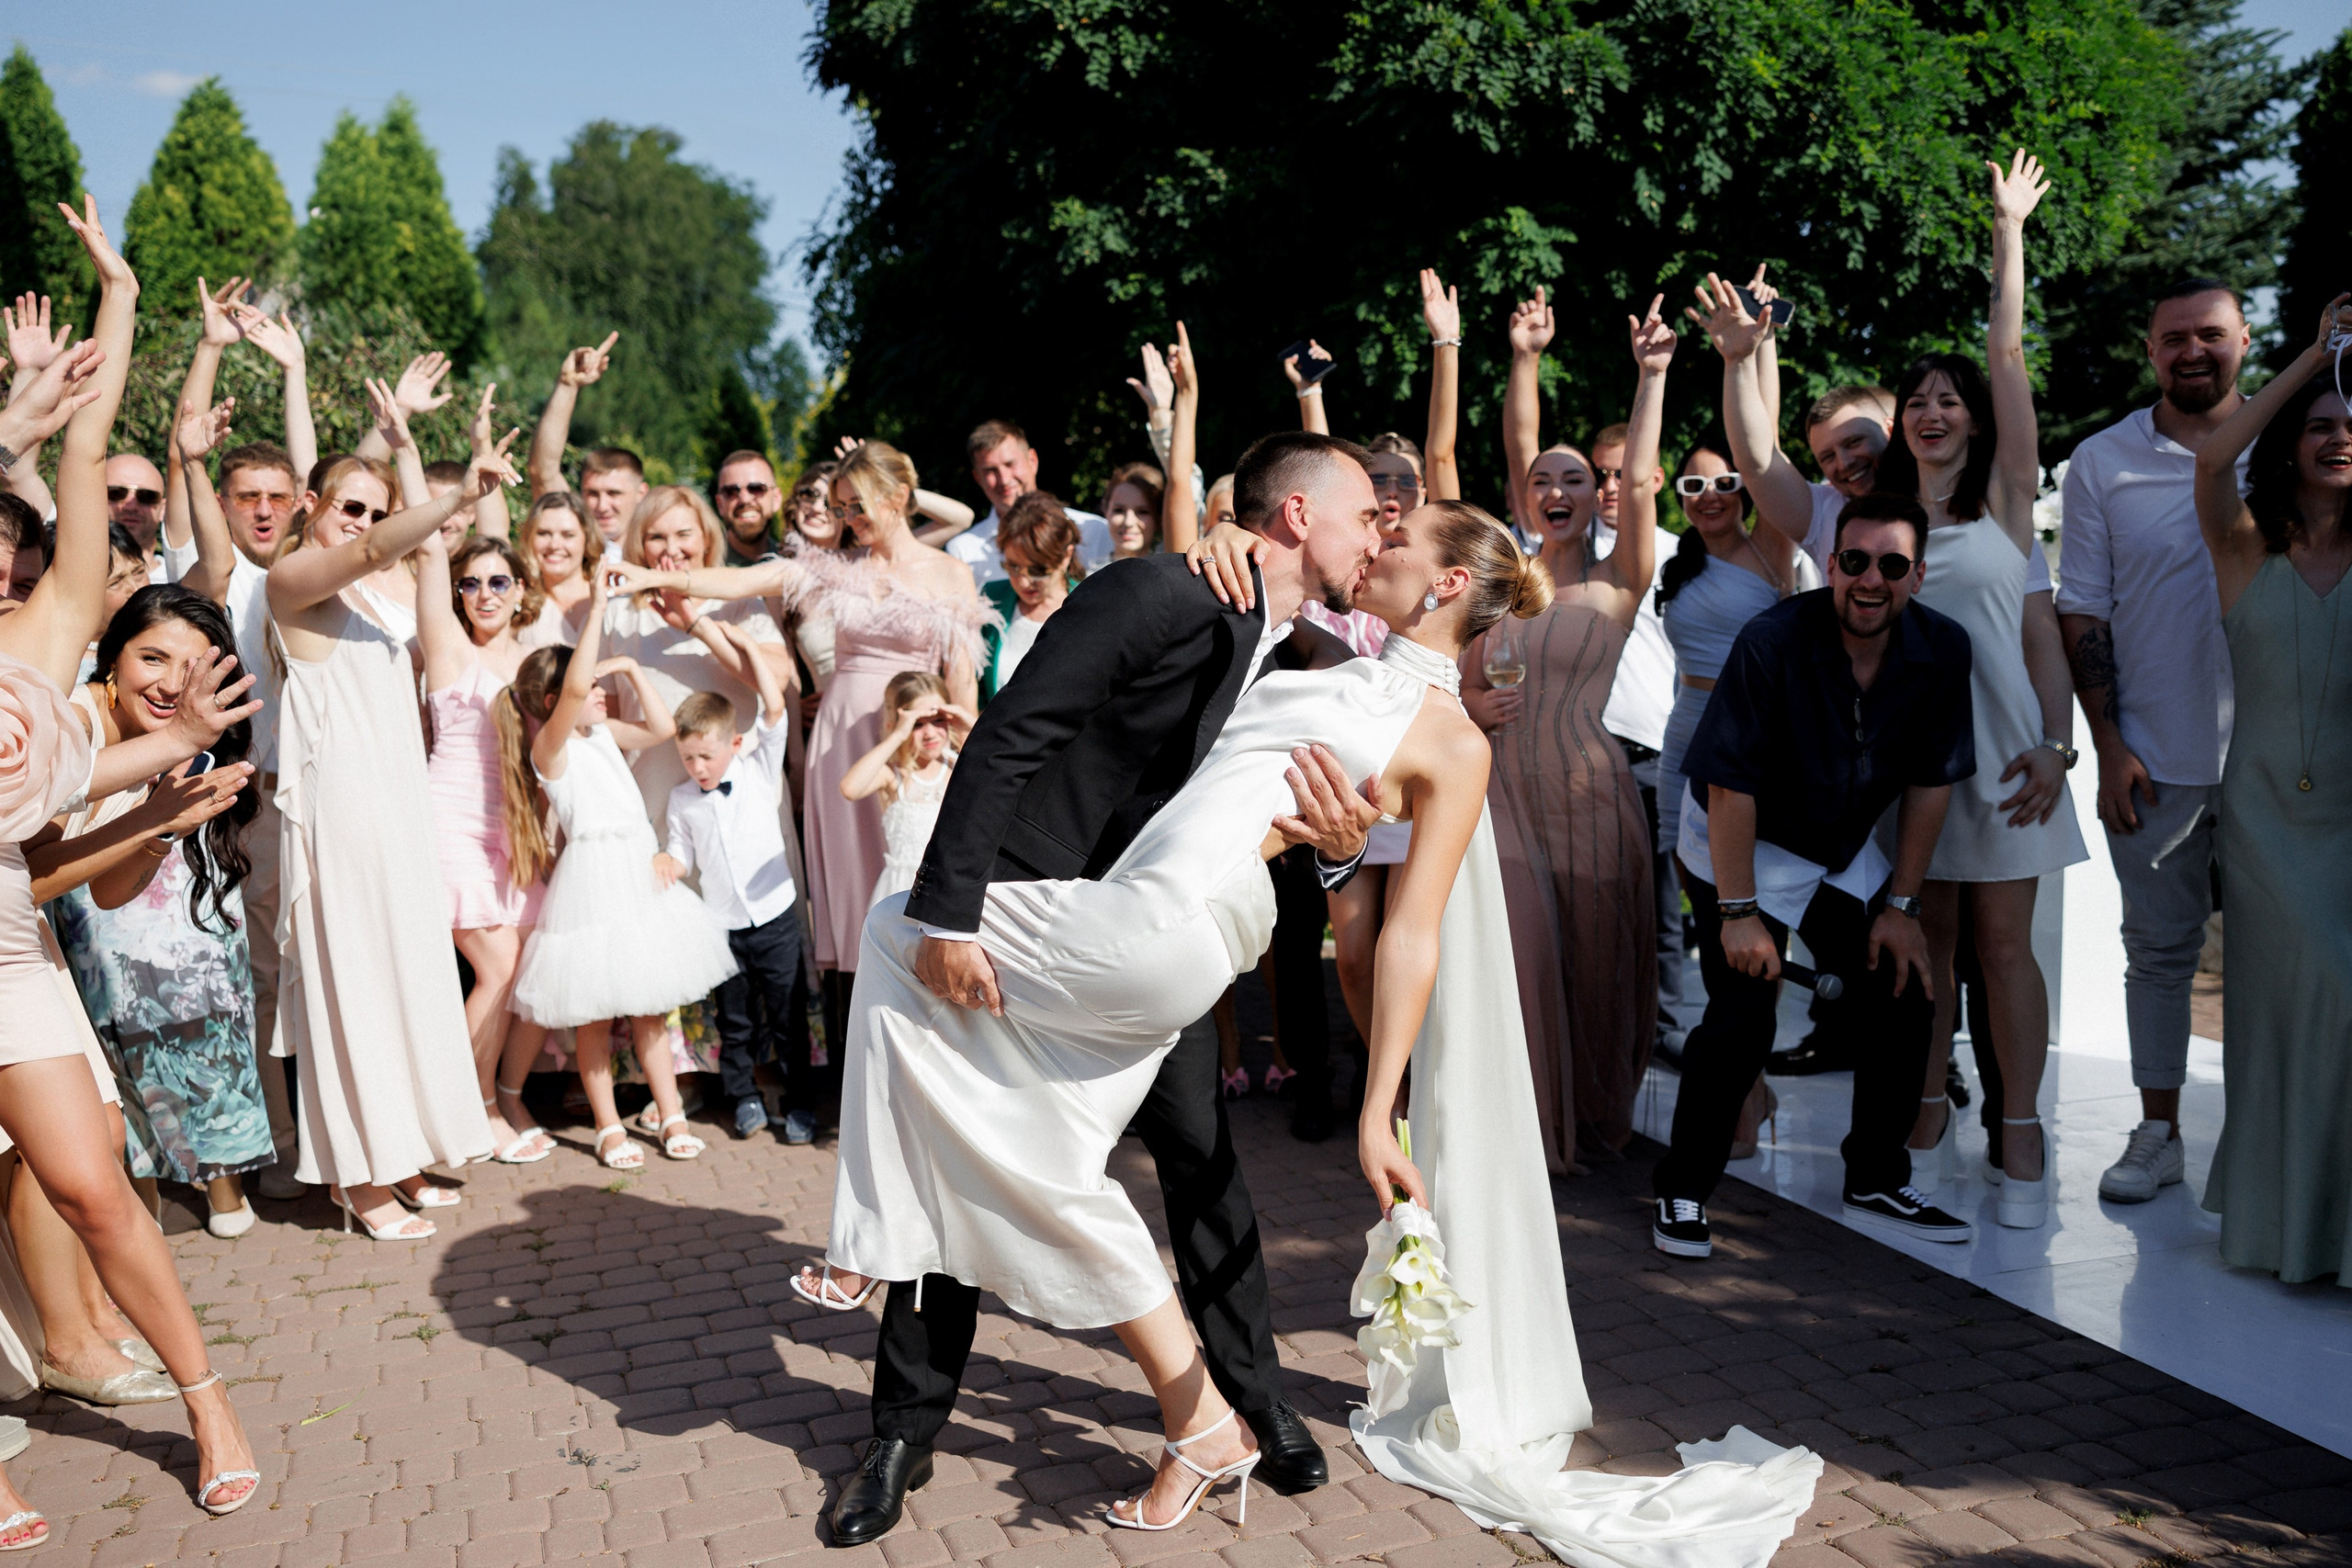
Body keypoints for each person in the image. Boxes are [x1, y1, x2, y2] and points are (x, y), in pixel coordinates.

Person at [802, 431, 1384, 1546]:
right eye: (1365, 513)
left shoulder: (1310, 658)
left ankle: (1253, 1401)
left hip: (1144, 948)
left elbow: (1300, 820)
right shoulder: (1159, 591)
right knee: (957, 1150)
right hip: (1027, 925)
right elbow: (1012, 735)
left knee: (1203, 1159)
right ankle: (901, 1433)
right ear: (1299, 517)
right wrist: (948, 913)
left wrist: (1344, 850)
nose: (1380, 535)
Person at [0, 193, 264, 1536]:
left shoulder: (48, 639)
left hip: (5, 953)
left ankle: (208, 1397)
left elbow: (99, 440)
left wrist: (120, 296)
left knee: (97, 1184)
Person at [1653, 492, 1978, 1257]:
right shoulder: (1772, 640)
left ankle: (1874, 1175)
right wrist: (1737, 913)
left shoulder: (1943, 649)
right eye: (1855, 561)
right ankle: (1680, 1188)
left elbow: (1933, 781)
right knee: (1742, 1014)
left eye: (1891, 565)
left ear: (1918, 576)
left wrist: (1902, 904)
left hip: (1834, 848)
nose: (1871, 579)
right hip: (1740, 841)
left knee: (1904, 986)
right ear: (1830, 565)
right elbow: (1732, 787)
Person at [1871, 153, 2086, 1226]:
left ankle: (2019, 1128)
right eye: (1916, 401)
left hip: (2007, 760)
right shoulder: (1884, 530)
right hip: (1915, 768)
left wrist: (2059, 746)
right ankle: (1921, 1114)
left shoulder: (2008, 498)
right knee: (1928, 948)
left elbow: (2042, 640)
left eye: (1947, 399)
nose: (1933, 411)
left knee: (2003, 951)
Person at [615, 442, 985, 998]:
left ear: (898, 498)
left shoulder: (950, 573)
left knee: (917, 867)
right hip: (842, 738)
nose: (847, 519)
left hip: (915, 740)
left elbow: (962, 684)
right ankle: (855, 1033)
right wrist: (654, 580)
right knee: (855, 887)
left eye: (856, 505)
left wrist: (972, 759)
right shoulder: (836, 570)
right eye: (840, 509)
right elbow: (743, 582)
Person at [266, 424, 514, 1239]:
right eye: (347, 505)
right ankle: (355, 1176)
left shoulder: (380, 598)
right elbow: (374, 548)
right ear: (313, 506)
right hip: (342, 819)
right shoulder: (293, 577)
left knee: (408, 980)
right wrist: (453, 498)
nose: (360, 519)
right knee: (356, 989)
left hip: (399, 813)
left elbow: (429, 575)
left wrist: (441, 482)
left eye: (373, 508)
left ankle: (399, 1150)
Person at [1464, 294, 1666, 1173]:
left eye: (1575, 478)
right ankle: (1525, 1129)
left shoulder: (1622, 577)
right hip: (1503, 798)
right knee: (1520, 966)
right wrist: (1524, 358)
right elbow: (1517, 442)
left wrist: (1651, 376)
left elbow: (1649, 475)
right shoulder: (1506, 585)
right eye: (1542, 480)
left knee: (1594, 965)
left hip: (1589, 796)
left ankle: (1592, 1119)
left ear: (1601, 497)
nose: (1556, 489)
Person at [2058, 279, 2250, 1203]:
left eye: (2209, 334)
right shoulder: (2102, 461)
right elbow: (2082, 605)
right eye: (2174, 338)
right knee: (2159, 956)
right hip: (2153, 757)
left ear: (2243, 340)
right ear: (2149, 350)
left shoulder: (2288, 443)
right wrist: (2107, 741)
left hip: (2277, 760)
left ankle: (2269, 1142)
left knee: (2288, 959)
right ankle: (2158, 1133)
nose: (2192, 352)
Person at [2189, 292, 2352, 1286]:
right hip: (2260, 824)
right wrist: (2313, 357)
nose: (2338, 441)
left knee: (2336, 1010)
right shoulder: (2245, 549)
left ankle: (2324, 1232)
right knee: (2301, 1006)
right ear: (2293, 443)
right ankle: (2282, 1227)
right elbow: (2210, 459)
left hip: (2348, 823)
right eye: (2322, 429)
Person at [47, 587, 273, 1237]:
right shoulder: (73, 725)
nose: (173, 684)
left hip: (148, 908)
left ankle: (210, 1189)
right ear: (110, 655)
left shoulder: (186, 736)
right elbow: (41, 876)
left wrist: (157, 828)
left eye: (193, 668)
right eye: (153, 657)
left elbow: (111, 884)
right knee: (108, 1088)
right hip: (44, 944)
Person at [508, 567, 738, 1169]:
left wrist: (632, 669)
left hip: (635, 865)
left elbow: (662, 728)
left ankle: (672, 1112)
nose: (599, 691)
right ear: (556, 702)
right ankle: (609, 1125)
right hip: (592, 877)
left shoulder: (601, 732)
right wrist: (601, 606)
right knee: (594, 1010)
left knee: (649, 1007)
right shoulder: (550, 748)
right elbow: (580, 678)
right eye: (587, 688)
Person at [415, 525, 554, 1167]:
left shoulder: (537, 655)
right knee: (496, 966)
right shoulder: (447, 647)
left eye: (498, 580)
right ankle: (470, 1110)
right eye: (469, 582)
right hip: (450, 820)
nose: (483, 593)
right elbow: (428, 550)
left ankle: (493, 1098)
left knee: (521, 966)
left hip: (513, 831)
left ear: (520, 589)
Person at [665, 623, 815, 1144]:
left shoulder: (757, 767)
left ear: (733, 743)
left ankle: (800, 1103)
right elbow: (682, 852)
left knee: (787, 1016)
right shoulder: (682, 800)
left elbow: (775, 711)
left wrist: (751, 648)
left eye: (707, 756)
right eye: (688, 758)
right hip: (724, 924)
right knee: (735, 1022)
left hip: (774, 917)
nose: (698, 767)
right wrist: (668, 862)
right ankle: (744, 1097)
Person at [840, 671, 967, 910]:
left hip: (952, 884)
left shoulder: (957, 765)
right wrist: (898, 734)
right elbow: (850, 788)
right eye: (918, 724)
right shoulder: (894, 776)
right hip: (903, 892)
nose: (929, 733)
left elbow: (1006, 760)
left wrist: (967, 721)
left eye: (938, 719)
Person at [946, 419, 1114, 585]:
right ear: (977, 478)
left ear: (1032, 461)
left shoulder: (1095, 531)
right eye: (991, 470)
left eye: (1010, 464)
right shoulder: (963, 552)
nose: (1004, 479)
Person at [978, 491, 1081, 702]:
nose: (1024, 582)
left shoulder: (1088, 604)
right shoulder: (992, 598)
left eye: (1037, 570)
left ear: (1066, 556)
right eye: (1013, 567)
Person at [520, 490, 598, 649]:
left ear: (587, 539)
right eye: (543, 534)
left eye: (568, 535)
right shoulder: (521, 601)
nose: (554, 545)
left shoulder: (608, 596)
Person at [1101, 463, 1165, 558]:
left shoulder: (1171, 571)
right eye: (1119, 510)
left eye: (1143, 512)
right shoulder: (1087, 570)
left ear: (1159, 518)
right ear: (1106, 510)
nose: (1128, 522)